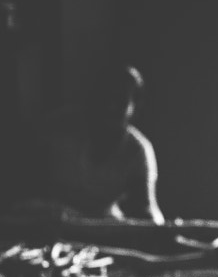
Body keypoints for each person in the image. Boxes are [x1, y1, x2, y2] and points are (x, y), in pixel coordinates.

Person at [26, 64, 165, 223]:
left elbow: (146, 208)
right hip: (48, 224)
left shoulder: (138, 151)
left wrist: (159, 228)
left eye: (120, 100)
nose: (110, 107)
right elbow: (25, 185)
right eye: (105, 98)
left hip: (100, 229)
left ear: (135, 108)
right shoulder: (59, 129)